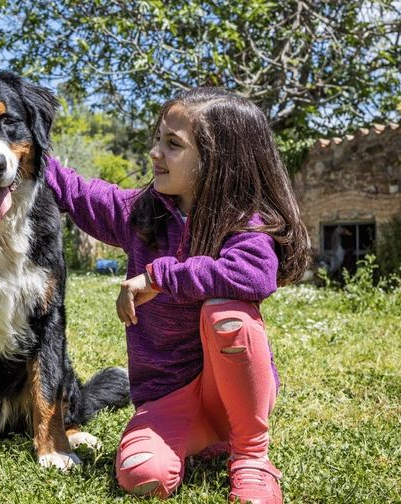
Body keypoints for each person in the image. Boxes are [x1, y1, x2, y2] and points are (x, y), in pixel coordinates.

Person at [45, 87, 309, 503]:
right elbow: (78, 193)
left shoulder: (245, 222)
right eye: (158, 139)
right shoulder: (142, 212)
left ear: (217, 160)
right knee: (143, 477)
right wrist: (14, 144)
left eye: (173, 144)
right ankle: (201, 441)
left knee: (228, 314)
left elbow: (254, 274)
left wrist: (158, 277)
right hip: (167, 396)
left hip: (231, 394)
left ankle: (250, 456)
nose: (154, 153)